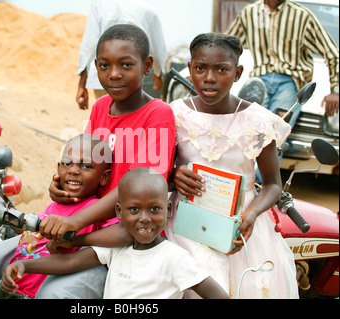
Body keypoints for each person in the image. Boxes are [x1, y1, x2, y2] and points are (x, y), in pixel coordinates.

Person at [36, 24, 176, 299]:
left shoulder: (158, 114)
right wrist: (63, 188)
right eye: (103, 65)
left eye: (126, 65)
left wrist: (75, 224)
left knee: (53, 294)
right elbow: (87, 164)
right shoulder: (100, 107)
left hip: (123, 234)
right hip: (88, 221)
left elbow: (138, 188)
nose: (113, 74)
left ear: (147, 66)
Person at [164, 33, 299, 298]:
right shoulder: (175, 114)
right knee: (195, 285)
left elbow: (272, 184)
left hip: (242, 226)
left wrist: (251, 214)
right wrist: (174, 174)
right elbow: (156, 172)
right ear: (190, 69)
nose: (209, 78)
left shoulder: (258, 121)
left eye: (221, 69)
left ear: (238, 73)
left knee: (248, 288)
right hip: (185, 222)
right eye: (200, 68)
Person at [2, 168, 230, 299]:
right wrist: (24, 266)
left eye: (154, 209)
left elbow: (217, 295)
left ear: (168, 210)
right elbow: (70, 262)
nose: (144, 218)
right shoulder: (116, 250)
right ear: (119, 212)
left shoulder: (174, 258)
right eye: (134, 209)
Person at [0, 134, 112, 299]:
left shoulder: (91, 212)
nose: (73, 170)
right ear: (59, 167)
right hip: (8, 286)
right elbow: (32, 234)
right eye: (67, 163)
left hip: (31, 294)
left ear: (104, 177)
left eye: (86, 166)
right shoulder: (56, 204)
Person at [226, 0, 339, 129]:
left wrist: (336, 90)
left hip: (290, 82)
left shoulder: (302, 16)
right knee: (246, 130)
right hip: (260, 80)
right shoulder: (249, 13)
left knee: (275, 132)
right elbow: (226, 46)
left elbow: (333, 53)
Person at [76, 0, 167, 109]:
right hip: (131, 82)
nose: (115, 74)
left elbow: (89, 45)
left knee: (107, 120)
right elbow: (157, 48)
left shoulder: (100, 5)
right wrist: (158, 73)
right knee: (132, 121)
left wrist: (82, 84)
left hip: (103, 83)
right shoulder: (147, 10)